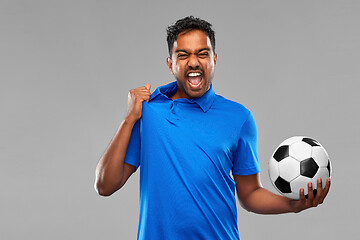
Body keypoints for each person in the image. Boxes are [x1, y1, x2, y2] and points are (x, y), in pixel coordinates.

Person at [94, 16, 331, 240]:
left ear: (214, 59)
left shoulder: (239, 117)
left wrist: (292, 205)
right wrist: (128, 119)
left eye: (202, 53)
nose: (194, 62)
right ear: (171, 63)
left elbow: (249, 195)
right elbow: (104, 185)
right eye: (183, 55)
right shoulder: (148, 112)